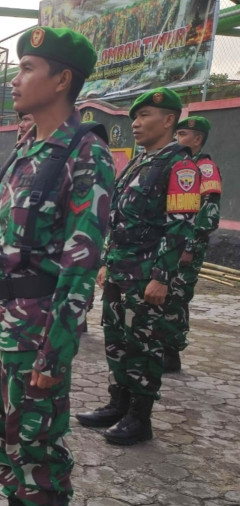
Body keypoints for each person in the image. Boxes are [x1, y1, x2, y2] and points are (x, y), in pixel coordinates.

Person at [0, 27, 114, 506]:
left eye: (28, 67)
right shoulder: (28, 148)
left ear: (62, 80)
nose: (15, 78)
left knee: (35, 438)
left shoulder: (86, 154)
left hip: (38, 328)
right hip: (0, 318)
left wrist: (57, 350)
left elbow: (82, 261)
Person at [76, 87, 199, 446]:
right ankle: (119, 403)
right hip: (121, 270)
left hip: (147, 276)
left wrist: (162, 277)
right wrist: (106, 262)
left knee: (144, 344)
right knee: (117, 341)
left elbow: (180, 226)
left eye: (144, 116)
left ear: (169, 120)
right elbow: (119, 217)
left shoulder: (181, 165)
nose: (136, 123)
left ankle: (139, 418)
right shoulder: (140, 160)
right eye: (134, 116)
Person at [159, 116, 222, 372]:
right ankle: (160, 346)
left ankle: (172, 353)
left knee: (177, 296)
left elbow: (208, 214)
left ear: (197, 139)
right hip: (170, 243)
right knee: (164, 295)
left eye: (182, 134)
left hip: (187, 246)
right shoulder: (178, 164)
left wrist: (189, 247)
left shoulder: (204, 168)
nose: (177, 138)